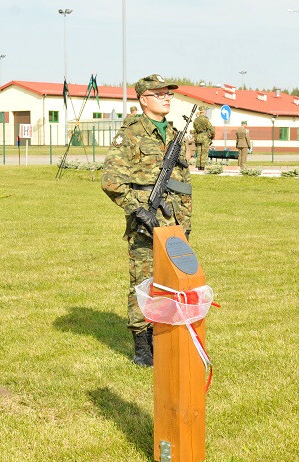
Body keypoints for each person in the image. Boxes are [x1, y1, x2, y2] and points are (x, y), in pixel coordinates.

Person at [101, 74, 193, 367]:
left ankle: (163, 338)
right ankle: (143, 348)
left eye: (169, 94)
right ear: (143, 99)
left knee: (172, 283)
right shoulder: (130, 133)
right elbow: (110, 180)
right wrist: (138, 210)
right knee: (144, 283)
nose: (167, 98)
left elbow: (183, 182)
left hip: (175, 223)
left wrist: (185, 221)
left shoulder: (174, 133)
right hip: (147, 223)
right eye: (160, 94)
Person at [193, 106, 215, 170]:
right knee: (204, 152)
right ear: (204, 111)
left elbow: (195, 131)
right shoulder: (206, 119)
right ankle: (202, 166)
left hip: (198, 137)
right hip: (205, 136)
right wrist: (212, 136)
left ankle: (198, 165)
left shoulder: (196, 120)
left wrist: (196, 138)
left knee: (199, 152)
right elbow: (211, 129)